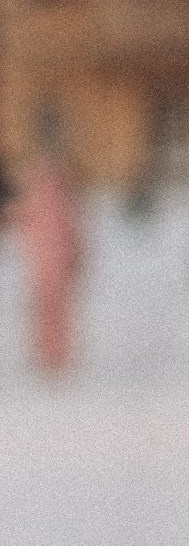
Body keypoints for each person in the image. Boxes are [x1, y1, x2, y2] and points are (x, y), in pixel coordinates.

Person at [16, 145, 85, 378]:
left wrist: (78, 256)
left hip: (51, 265)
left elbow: (73, 233)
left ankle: (55, 354)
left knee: (52, 310)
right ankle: (49, 353)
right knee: (50, 310)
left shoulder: (57, 202)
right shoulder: (52, 201)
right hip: (48, 264)